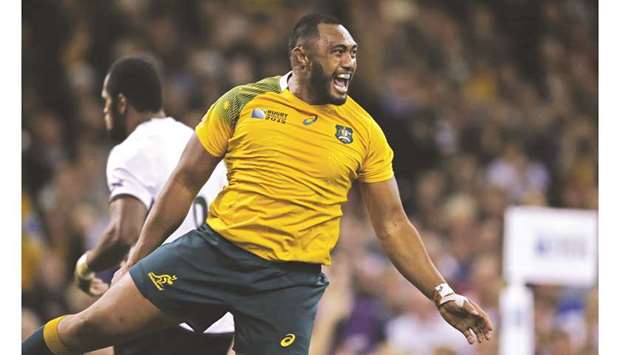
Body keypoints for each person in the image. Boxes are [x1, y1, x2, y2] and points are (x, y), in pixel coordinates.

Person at [23, 14, 493, 355]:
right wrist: (137, 257)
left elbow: (392, 224)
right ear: (301, 57)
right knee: (91, 329)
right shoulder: (243, 102)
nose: (349, 61)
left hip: (289, 284)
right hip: (214, 253)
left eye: (352, 52)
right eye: (337, 51)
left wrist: (441, 293)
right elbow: (186, 180)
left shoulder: (365, 131)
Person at [25, 56, 234, 355]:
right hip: (218, 316)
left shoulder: (133, 147)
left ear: (121, 103)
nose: (105, 112)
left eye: (106, 102)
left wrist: (87, 265)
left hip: (167, 305)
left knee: (74, 338)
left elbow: (125, 233)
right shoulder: (195, 139)